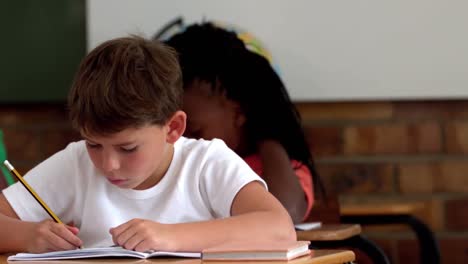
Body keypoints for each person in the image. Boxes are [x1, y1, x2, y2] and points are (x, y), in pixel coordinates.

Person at [0, 36, 295, 253]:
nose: (108, 164)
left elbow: (279, 229)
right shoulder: (76, 163)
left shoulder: (207, 162)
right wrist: (26, 236)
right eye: (94, 144)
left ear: (173, 128)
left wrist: (169, 237)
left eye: (128, 148)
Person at [166, 23, 324, 223]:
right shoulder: (173, 165)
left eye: (194, 131)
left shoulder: (281, 171)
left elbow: (284, 214)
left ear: (238, 113)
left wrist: (268, 136)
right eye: (170, 128)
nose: (181, 140)